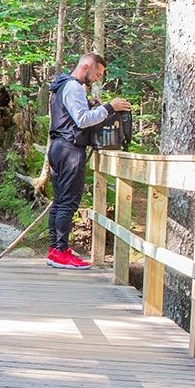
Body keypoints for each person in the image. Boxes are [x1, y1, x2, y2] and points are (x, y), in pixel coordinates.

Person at [46, 53, 131, 270]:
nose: (97, 78)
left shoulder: (60, 86)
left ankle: (56, 249)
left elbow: (70, 115)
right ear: (86, 66)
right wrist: (110, 107)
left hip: (58, 147)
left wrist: (93, 105)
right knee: (68, 202)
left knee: (59, 201)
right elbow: (82, 120)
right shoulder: (73, 87)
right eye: (97, 73)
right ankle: (60, 252)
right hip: (70, 149)